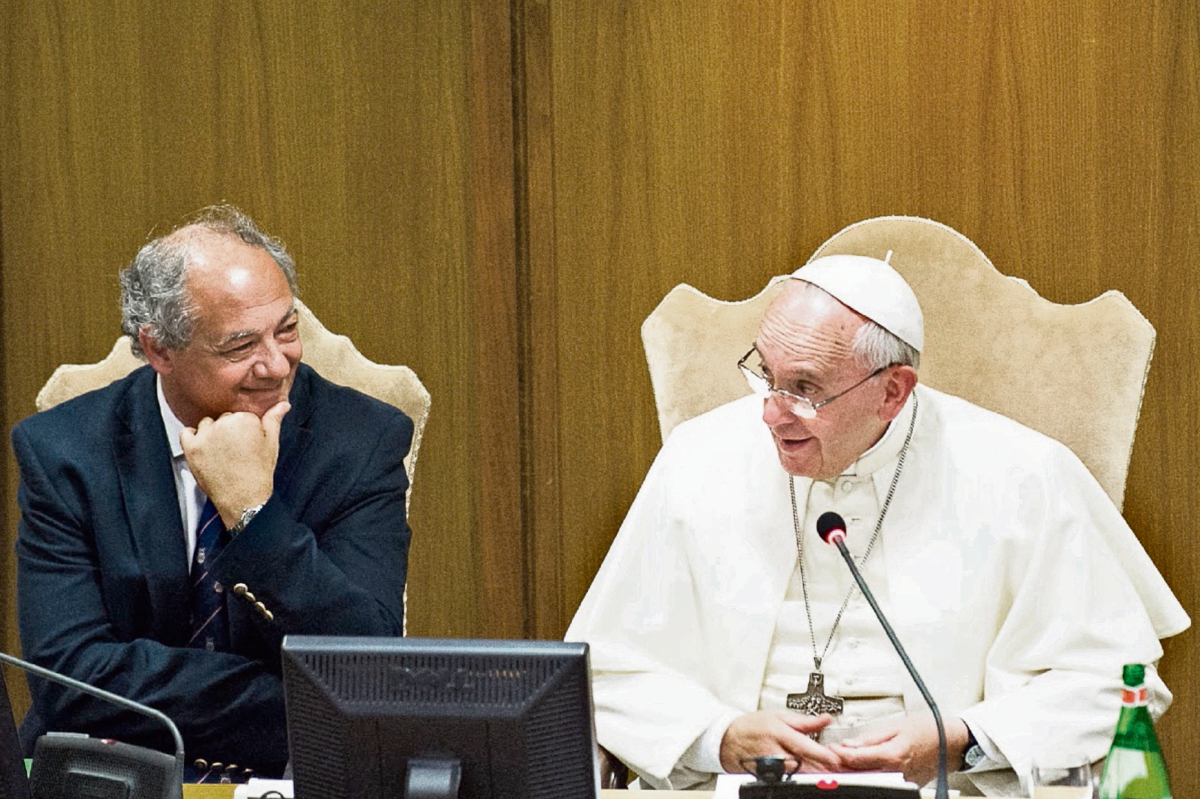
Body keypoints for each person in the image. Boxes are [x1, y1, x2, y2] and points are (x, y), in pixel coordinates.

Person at [566, 254, 1189, 795]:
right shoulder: (697, 458)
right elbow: (601, 672)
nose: (770, 415)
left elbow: (1118, 685)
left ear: (894, 391)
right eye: (766, 375)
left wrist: (963, 739)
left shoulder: (1024, 472)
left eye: (806, 389)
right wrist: (717, 737)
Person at [12, 205, 413, 779]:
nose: (276, 365)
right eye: (239, 347)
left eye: (287, 329)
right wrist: (291, 698)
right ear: (159, 351)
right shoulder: (64, 453)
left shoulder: (361, 442)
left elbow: (365, 664)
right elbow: (71, 681)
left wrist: (253, 515)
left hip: (291, 774)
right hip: (115, 771)